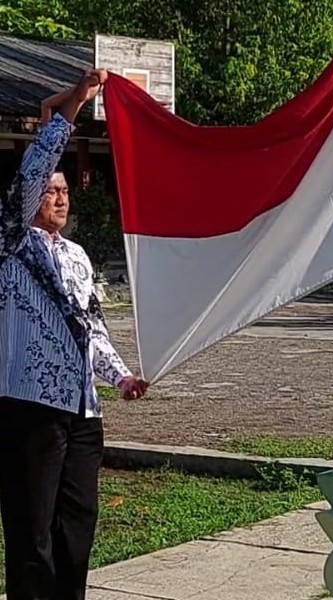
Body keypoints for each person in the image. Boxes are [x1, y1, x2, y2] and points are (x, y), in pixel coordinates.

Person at [0, 70, 149, 600]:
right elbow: (36, 164)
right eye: (51, 190)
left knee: (77, 525)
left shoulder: (78, 257)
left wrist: (121, 377)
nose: (60, 198)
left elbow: (92, 328)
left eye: (65, 191)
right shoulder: (11, 241)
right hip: (29, 405)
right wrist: (77, 102)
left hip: (83, 409)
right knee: (31, 529)